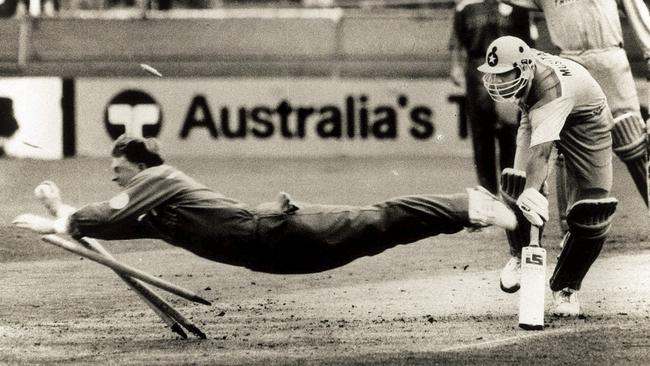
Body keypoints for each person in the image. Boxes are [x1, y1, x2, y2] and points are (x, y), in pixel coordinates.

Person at [13, 134, 517, 275]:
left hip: (278, 233)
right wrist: (62, 218)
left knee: (381, 219)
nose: (112, 173)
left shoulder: (160, 179)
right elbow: (111, 227)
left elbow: (109, 212)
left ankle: (467, 206)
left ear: (139, 167)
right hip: (279, 260)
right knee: (380, 233)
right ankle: (461, 214)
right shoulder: (156, 214)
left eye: (117, 168)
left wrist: (66, 217)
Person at [478, 36, 619, 316]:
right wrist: (527, 190)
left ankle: (566, 286)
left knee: (593, 213)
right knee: (516, 182)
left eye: (504, 74)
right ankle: (520, 254)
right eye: (494, 74)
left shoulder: (549, 87)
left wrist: (533, 193)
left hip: (587, 122)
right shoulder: (527, 72)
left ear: (526, 68)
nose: (498, 82)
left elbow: (542, 156)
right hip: (536, 112)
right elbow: (533, 152)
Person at [503, 0, 650, 231]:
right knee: (564, 146)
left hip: (610, 58)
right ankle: (569, 226)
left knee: (633, 141)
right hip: (570, 62)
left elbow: (636, 9)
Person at [449, 0, 533, 194]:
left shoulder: (518, 5)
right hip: (477, 70)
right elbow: (457, 42)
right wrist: (455, 67)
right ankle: (488, 193)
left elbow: (528, 42)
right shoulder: (466, 6)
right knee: (481, 134)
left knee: (510, 133)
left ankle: (511, 191)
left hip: (509, 70)